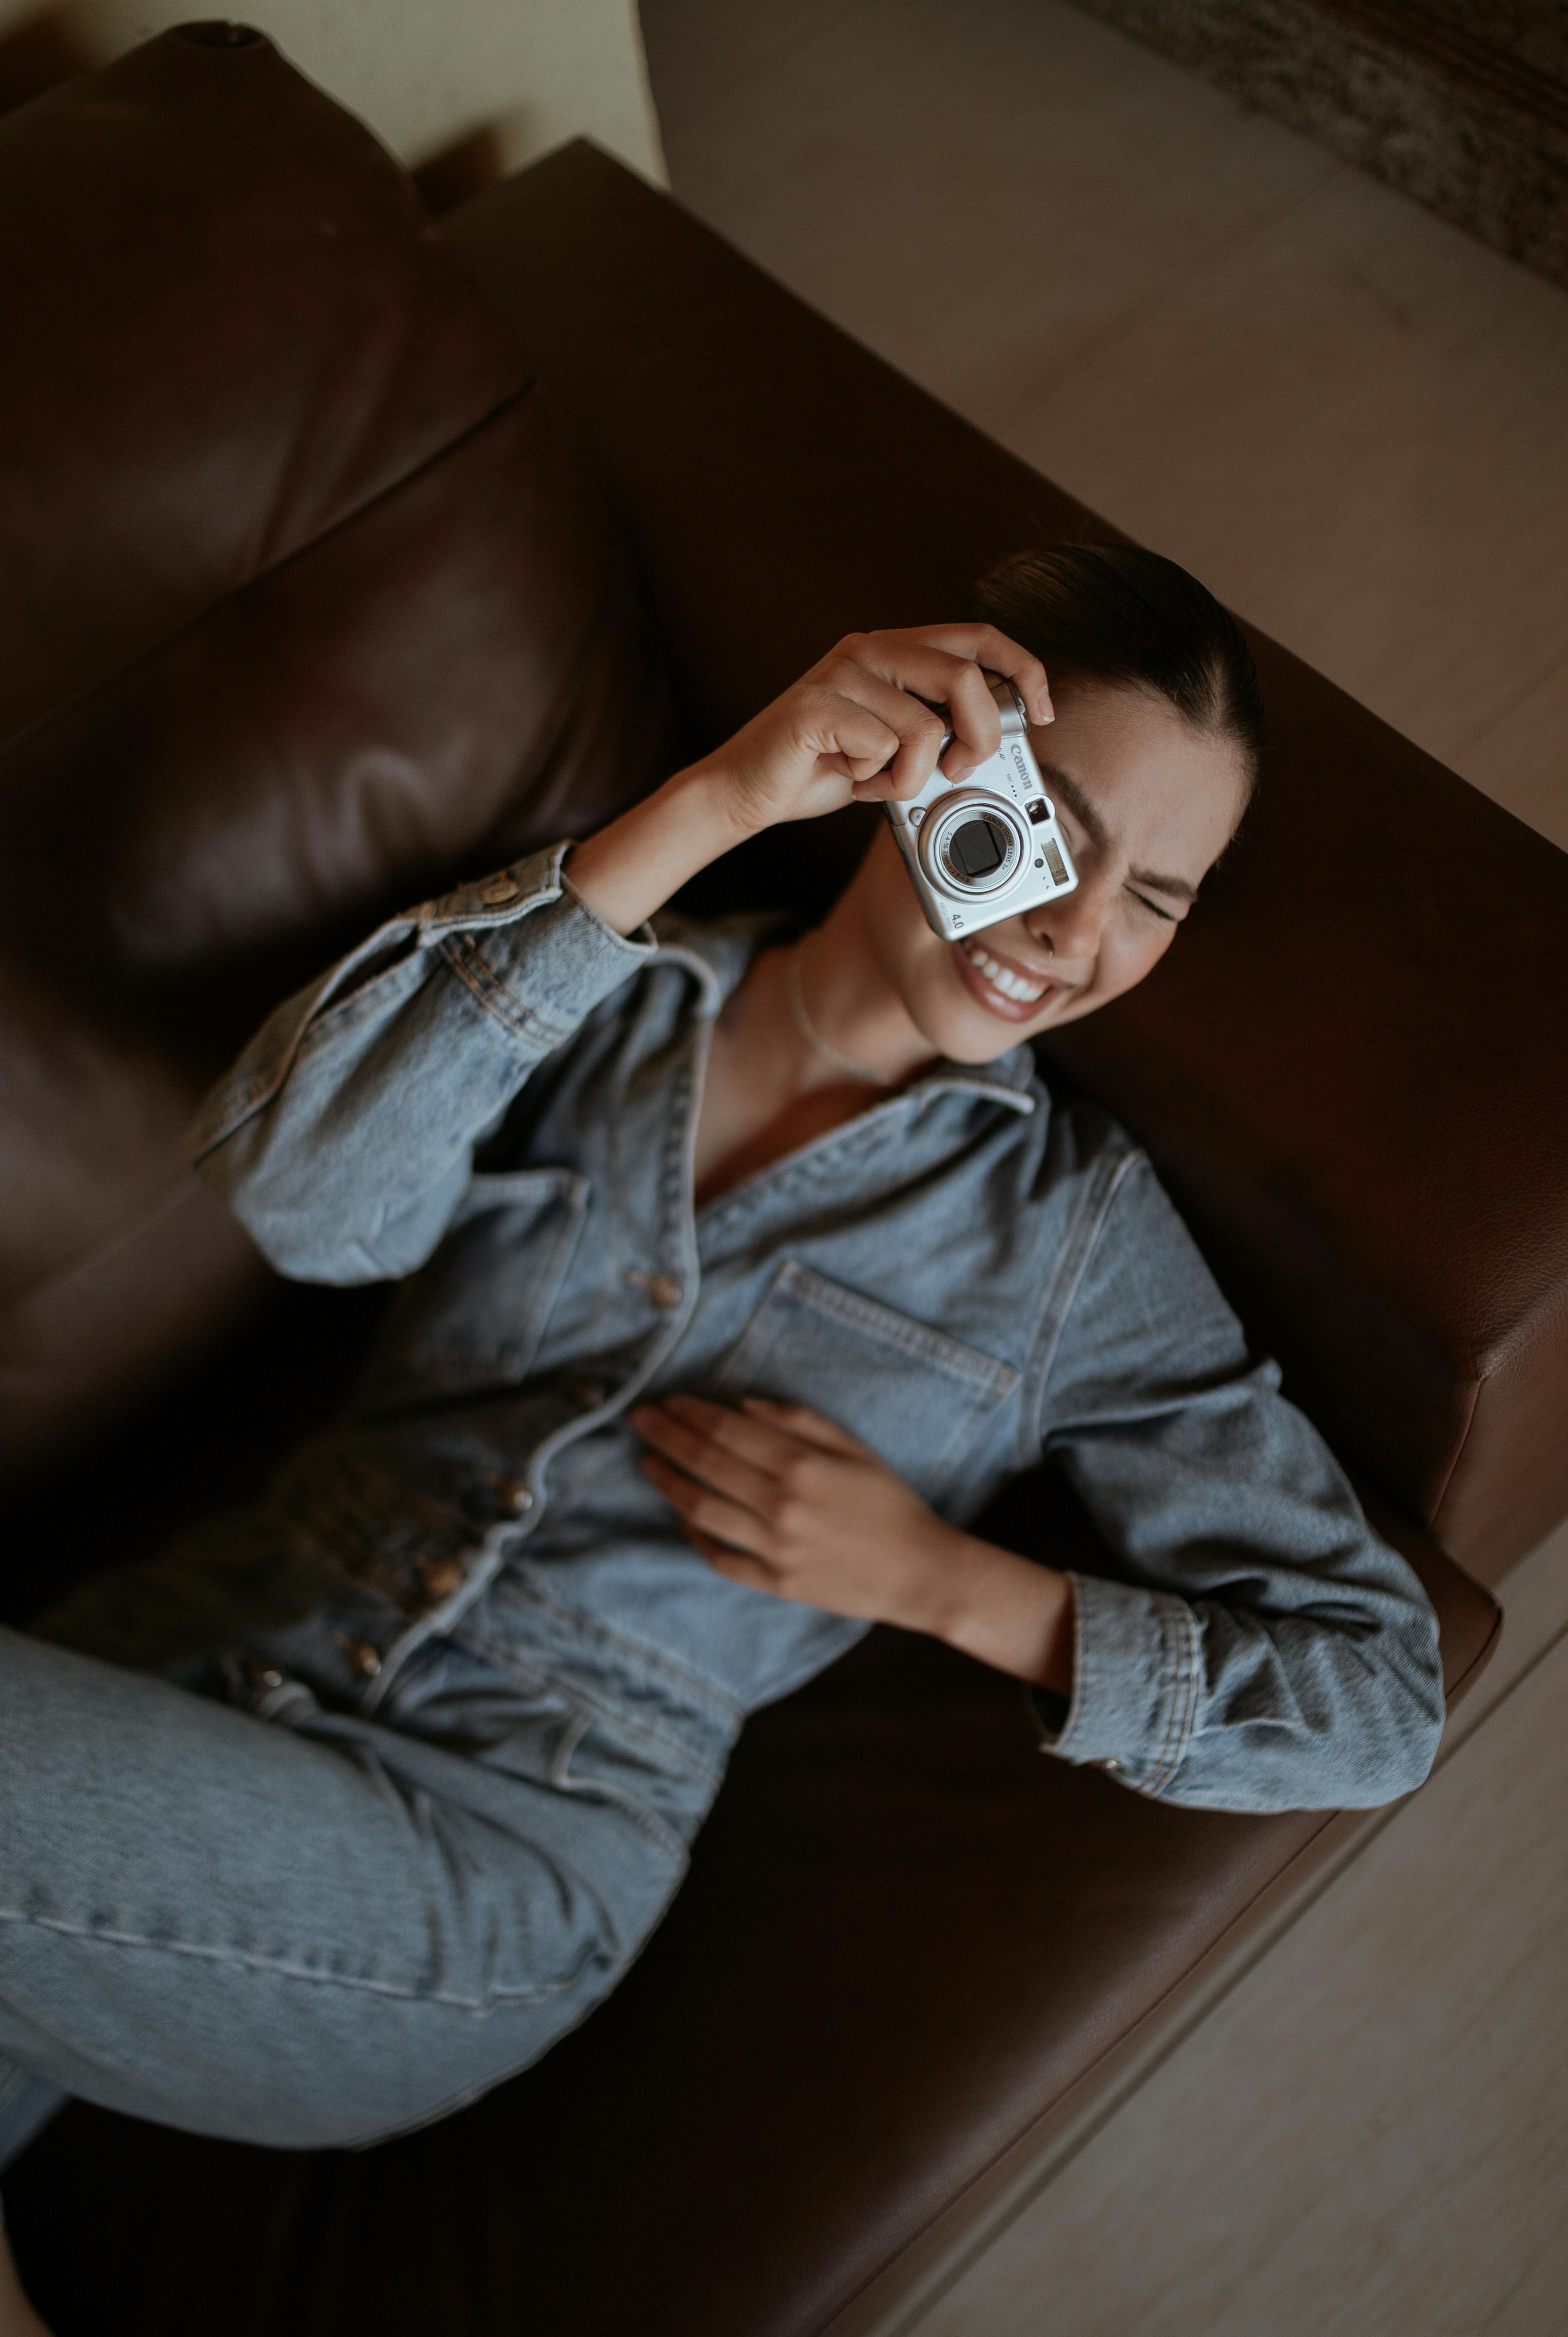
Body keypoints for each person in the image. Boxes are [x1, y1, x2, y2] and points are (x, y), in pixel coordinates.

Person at [0, 546, 1444, 2295]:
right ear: (921, 753)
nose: (1078, 933)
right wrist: (713, 803)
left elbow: (1375, 1705)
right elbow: (305, 1199)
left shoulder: (1070, 1246)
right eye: (1054, 831)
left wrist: (943, 1584)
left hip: (481, 1856)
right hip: (160, 1665)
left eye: (1160, 896)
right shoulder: (603, 983)